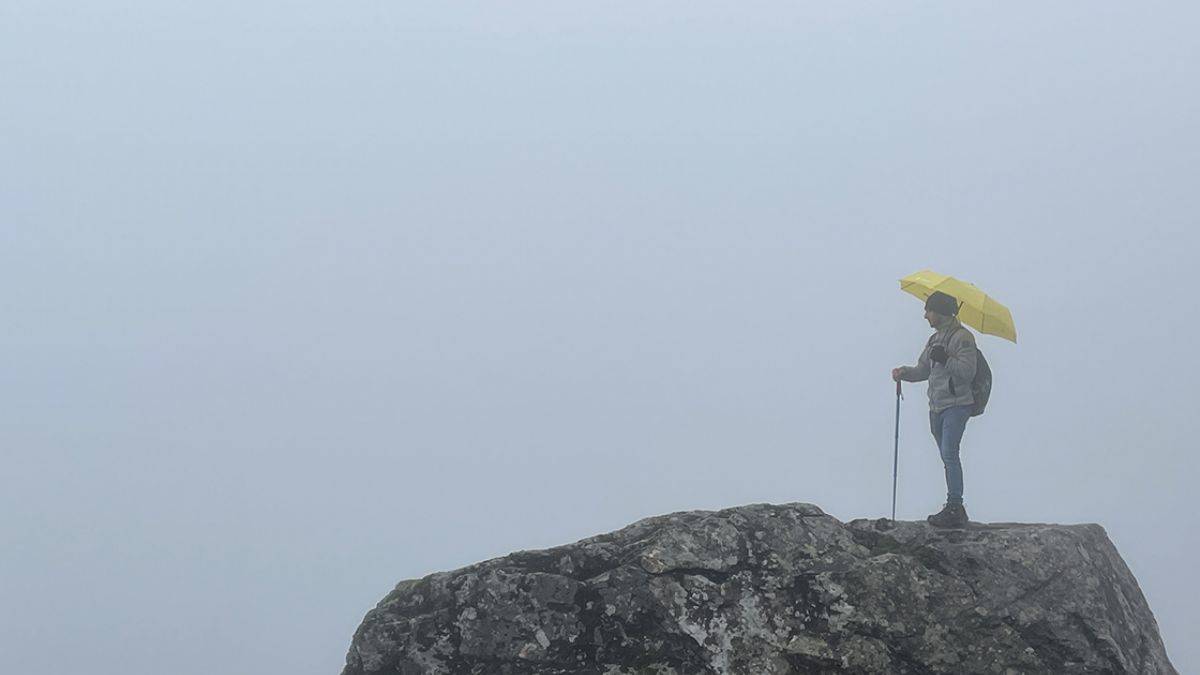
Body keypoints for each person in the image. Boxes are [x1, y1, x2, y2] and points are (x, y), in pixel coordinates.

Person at [891, 291, 978, 528]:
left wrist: (946, 359)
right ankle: (954, 506)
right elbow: (923, 370)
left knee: (950, 452)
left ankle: (955, 506)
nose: (925, 315)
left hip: (957, 405)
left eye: (928, 310)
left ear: (940, 311)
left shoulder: (963, 337)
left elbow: (968, 372)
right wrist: (904, 373)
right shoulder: (934, 340)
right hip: (936, 407)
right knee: (946, 455)